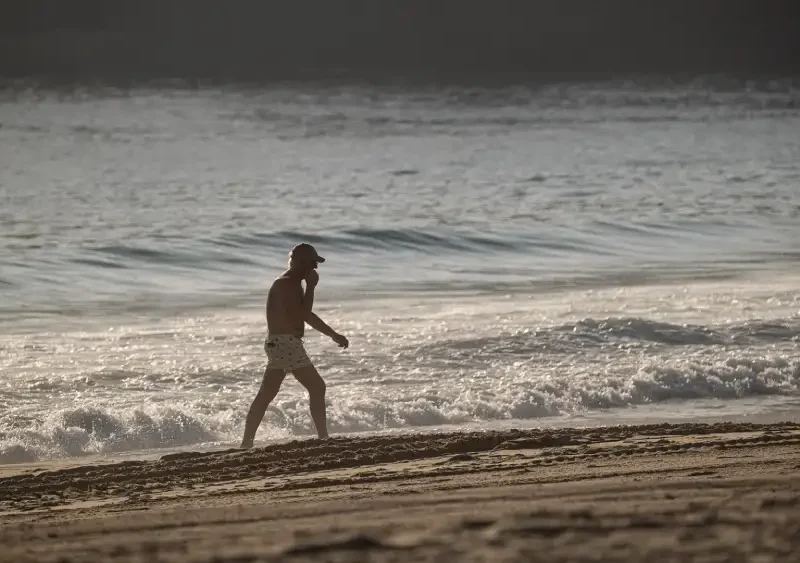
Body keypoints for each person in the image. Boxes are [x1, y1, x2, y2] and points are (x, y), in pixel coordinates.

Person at [240, 243, 349, 448]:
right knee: (317, 387)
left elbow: (306, 315)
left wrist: (333, 335)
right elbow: (304, 314)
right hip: (285, 343)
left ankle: (246, 443)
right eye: (313, 263)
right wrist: (312, 287)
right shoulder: (287, 284)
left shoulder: (290, 282)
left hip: (280, 343)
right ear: (301, 263)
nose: (315, 268)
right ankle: (323, 438)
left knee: (266, 395)